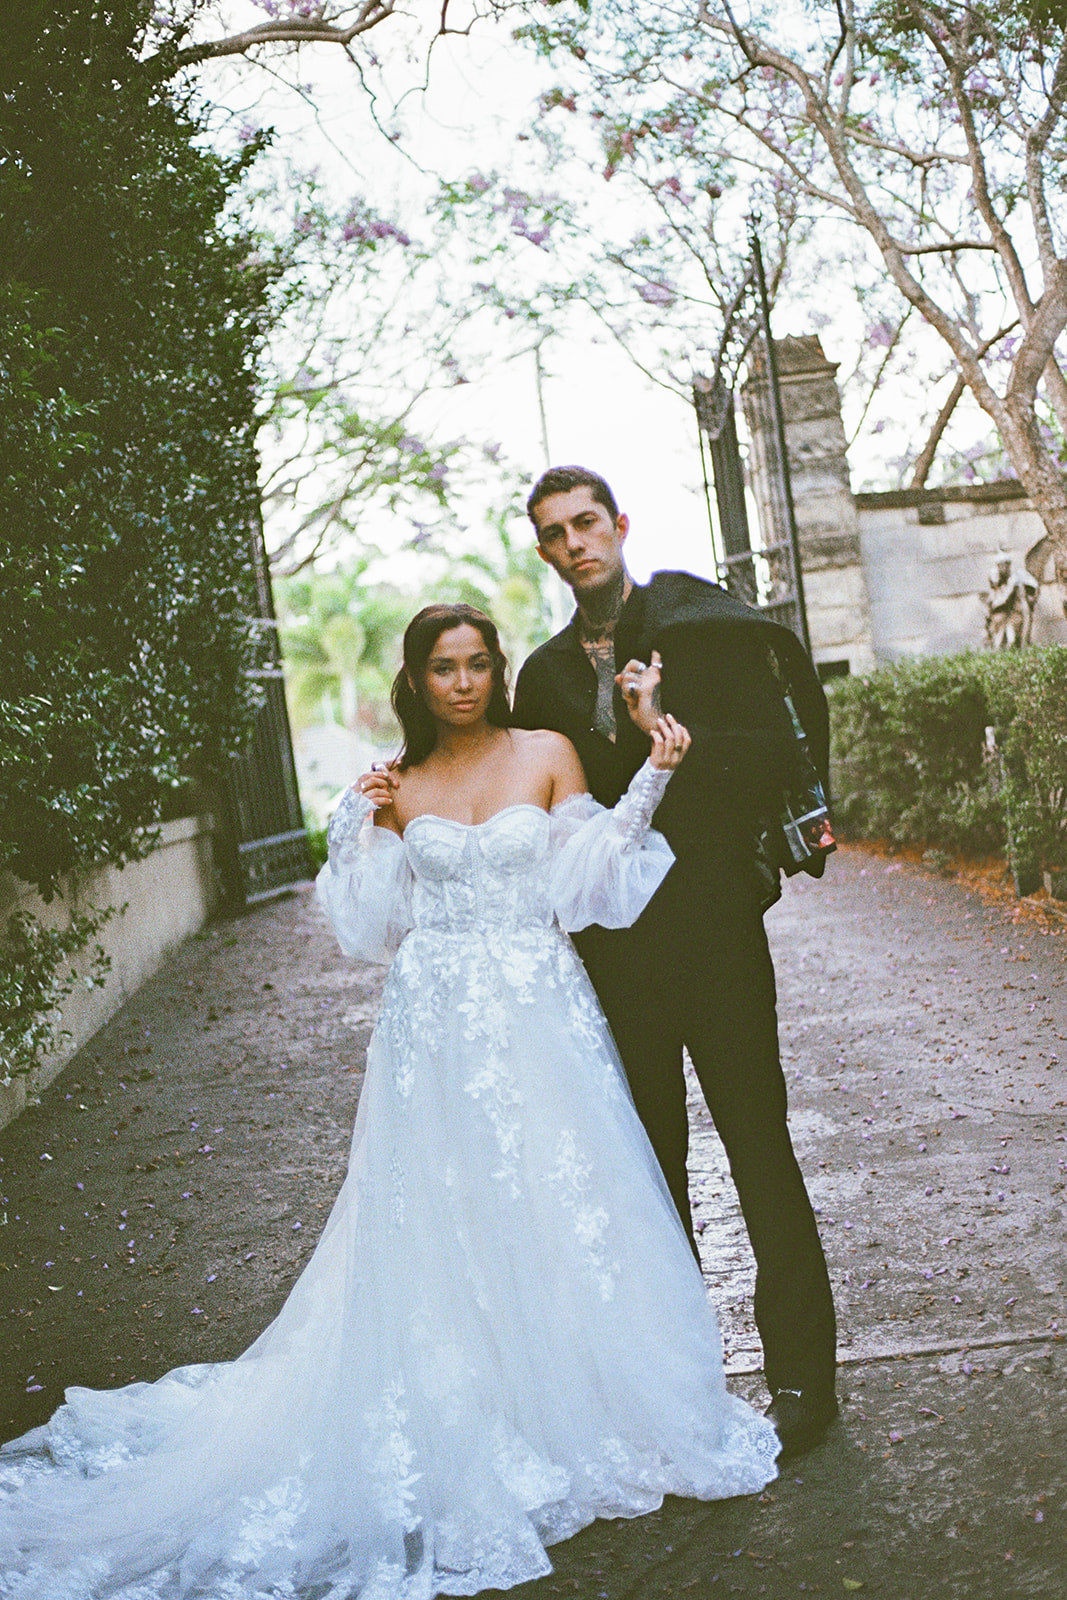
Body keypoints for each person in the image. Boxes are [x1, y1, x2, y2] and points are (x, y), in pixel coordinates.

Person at [0, 601, 777, 1600]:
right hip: (433, 1027)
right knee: (441, 1216)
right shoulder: (395, 780)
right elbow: (367, 925)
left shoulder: (545, 752)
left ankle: (575, 1404)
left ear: (495, 669)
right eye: (442, 666)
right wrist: (350, 828)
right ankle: (463, 1404)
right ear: (416, 680)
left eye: (477, 663)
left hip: (539, 1011)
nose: (461, 680)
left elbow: (589, 882)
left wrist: (654, 776)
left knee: (557, 1195)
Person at [512, 466, 839, 1461]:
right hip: (614, 957)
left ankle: (800, 1379)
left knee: (758, 1145)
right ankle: (679, 1383)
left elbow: (757, 756)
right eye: (554, 532)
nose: (575, 542)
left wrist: (669, 731)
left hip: (714, 929)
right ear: (542, 552)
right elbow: (554, 819)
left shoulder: (696, 627)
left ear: (619, 524)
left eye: (586, 522)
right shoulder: (542, 680)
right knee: (649, 1170)